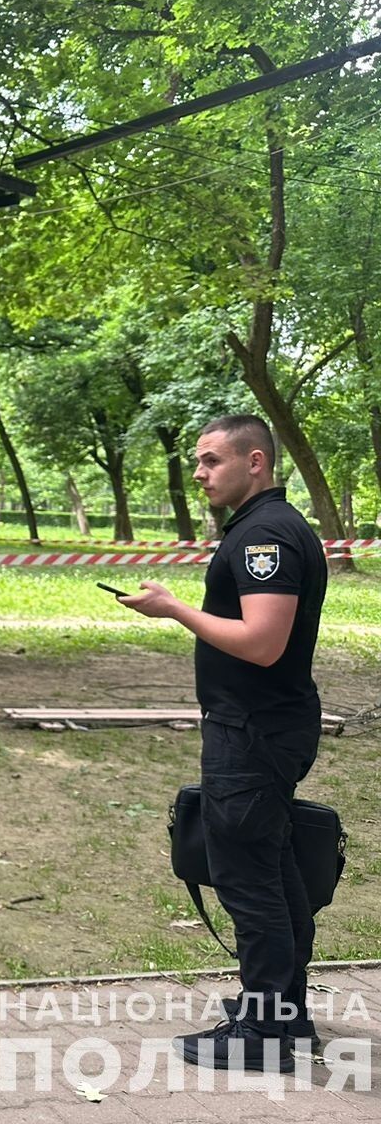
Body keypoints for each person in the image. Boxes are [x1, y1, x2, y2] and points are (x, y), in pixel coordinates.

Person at [117, 414, 327, 1073]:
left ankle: (264, 1036)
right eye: (199, 463)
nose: (200, 473)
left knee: (249, 881)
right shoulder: (267, 528)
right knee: (276, 873)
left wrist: (176, 609)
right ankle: (286, 1017)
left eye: (211, 461)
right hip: (267, 727)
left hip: (254, 734)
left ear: (255, 462)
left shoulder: (266, 534)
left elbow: (263, 644)